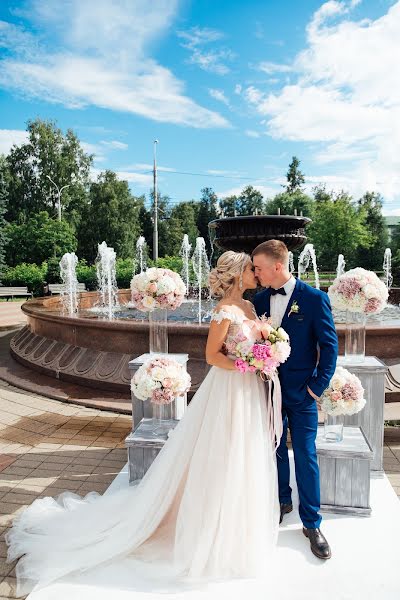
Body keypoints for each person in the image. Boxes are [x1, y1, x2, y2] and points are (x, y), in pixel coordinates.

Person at [6, 251, 281, 597]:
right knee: (223, 453)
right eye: (251, 269)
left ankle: (239, 528)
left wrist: (266, 356)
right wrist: (249, 366)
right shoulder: (223, 311)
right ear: (239, 274)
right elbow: (213, 357)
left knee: (244, 454)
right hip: (230, 389)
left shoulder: (251, 308)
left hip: (250, 391)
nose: (256, 274)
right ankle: (208, 530)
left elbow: (256, 345)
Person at [252, 240, 338, 560]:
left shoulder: (315, 299)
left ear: (277, 266)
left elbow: (329, 349)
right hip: (267, 391)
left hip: (302, 394)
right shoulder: (259, 299)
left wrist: (316, 389)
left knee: (305, 453)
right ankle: (281, 501)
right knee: (273, 450)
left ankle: (312, 523)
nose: (255, 273)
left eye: (259, 267)